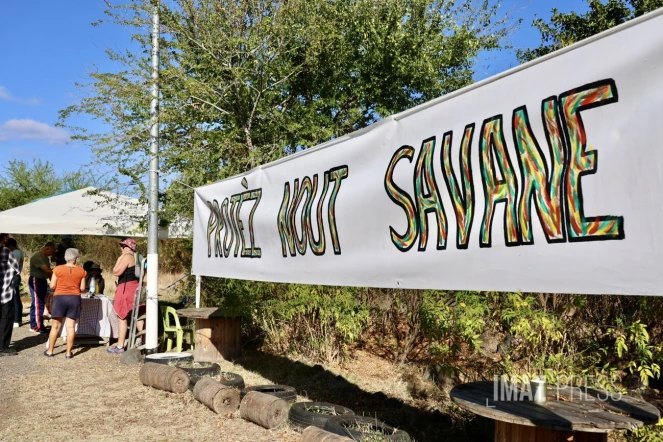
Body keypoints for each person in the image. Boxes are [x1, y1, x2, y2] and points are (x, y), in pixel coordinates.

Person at [45, 248, 86, 359]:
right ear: (76, 258)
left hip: (59, 298)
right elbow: (82, 288)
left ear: (65, 258)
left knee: (55, 326)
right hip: (74, 298)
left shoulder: (57, 269)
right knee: (71, 327)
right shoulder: (82, 271)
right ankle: (68, 353)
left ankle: (50, 351)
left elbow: (52, 286)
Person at [108, 238, 140, 354]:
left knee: (122, 316)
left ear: (127, 247)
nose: (121, 249)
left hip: (126, 288)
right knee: (138, 314)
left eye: (123, 246)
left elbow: (116, 272)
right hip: (136, 288)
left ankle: (120, 346)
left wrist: (120, 258)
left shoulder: (127, 257)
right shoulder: (138, 257)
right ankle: (143, 340)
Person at [29, 241, 55, 333]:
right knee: (37, 303)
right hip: (36, 280)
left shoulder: (45, 258)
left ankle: (36, 323)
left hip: (43, 280)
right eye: (51, 252)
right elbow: (47, 269)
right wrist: (56, 271)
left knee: (39, 302)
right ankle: (37, 326)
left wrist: (53, 282)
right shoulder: (37, 257)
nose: (51, 254)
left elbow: (49, 272)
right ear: (47, 248)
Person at [0, 233, 19, 356]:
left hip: (5, 291)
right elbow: (16, 270)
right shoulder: (6, 251)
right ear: (5, 239)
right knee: (6, 319)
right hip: (5, 292)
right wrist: (12, 286)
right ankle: (2, 347)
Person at [6, 238, 24, 328]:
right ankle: (18, 319)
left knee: (14, 298)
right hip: (14, 276)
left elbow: (13, 266)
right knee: (16, 297)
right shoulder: (18, 252)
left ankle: (16, 319)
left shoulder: (15, 253)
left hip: (13, 276)